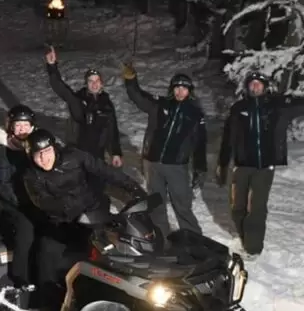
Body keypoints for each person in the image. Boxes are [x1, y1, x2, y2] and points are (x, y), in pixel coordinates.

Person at [22, 128, 143, 311]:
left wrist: (131, 186)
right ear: (31, 156)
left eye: (47, 151)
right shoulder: (31, 176)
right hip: (61, 222)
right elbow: (43, 201)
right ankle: (51, 306)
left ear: (54, 148)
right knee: (47, 254)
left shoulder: (74, 156)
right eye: (38, 154)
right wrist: (69, 207)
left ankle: (130, 295)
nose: (44, 158)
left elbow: (104, 170)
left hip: (92, 215)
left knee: (116, 248)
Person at [216, 71, 304, 256]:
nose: (255, 87)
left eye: (259, 84)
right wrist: (223, 163)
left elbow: (298, 105)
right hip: (241, 165)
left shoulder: (276, 106)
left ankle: (253, 249)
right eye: (252, 84)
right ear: (247, 87)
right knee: (237, 207)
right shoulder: (239, 108)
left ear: (265, 87)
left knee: (256, 208)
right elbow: (228, 138)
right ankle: (245, 237)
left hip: (265, 166)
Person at [123, 66, 207, 235]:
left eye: (184, 88)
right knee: (157, 204)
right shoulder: (160, 105)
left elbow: (200, 144)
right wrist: (131, 80)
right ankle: (162, 236)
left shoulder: (195, 114)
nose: (180, 91)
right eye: (177, 87)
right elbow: (138, 96)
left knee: (182, 205)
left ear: (189, 91)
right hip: (153, 163)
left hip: (177, 167)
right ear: (172, 89)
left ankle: (193, 238)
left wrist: (200, 168)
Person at [0, 104, 38, 296]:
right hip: (7, 199)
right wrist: (22, 202)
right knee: (27, 226)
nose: (22, 129)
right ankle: (20, 276)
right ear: (11, 127)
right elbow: (2, 183)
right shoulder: (3, 150)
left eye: (26, 125)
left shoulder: (34, 147)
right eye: (18, 125)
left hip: (31, 197)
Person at [44, 47, 122, 165]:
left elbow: (112, 129)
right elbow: (61, 89)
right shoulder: (79, 100)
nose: (94, 84)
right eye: (91, 81)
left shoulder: (107, 104)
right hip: (79, 154)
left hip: (98, 155)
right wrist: (52, 66)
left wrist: (115, 153)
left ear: (101, 84)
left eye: (97, 81)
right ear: (86, 84)